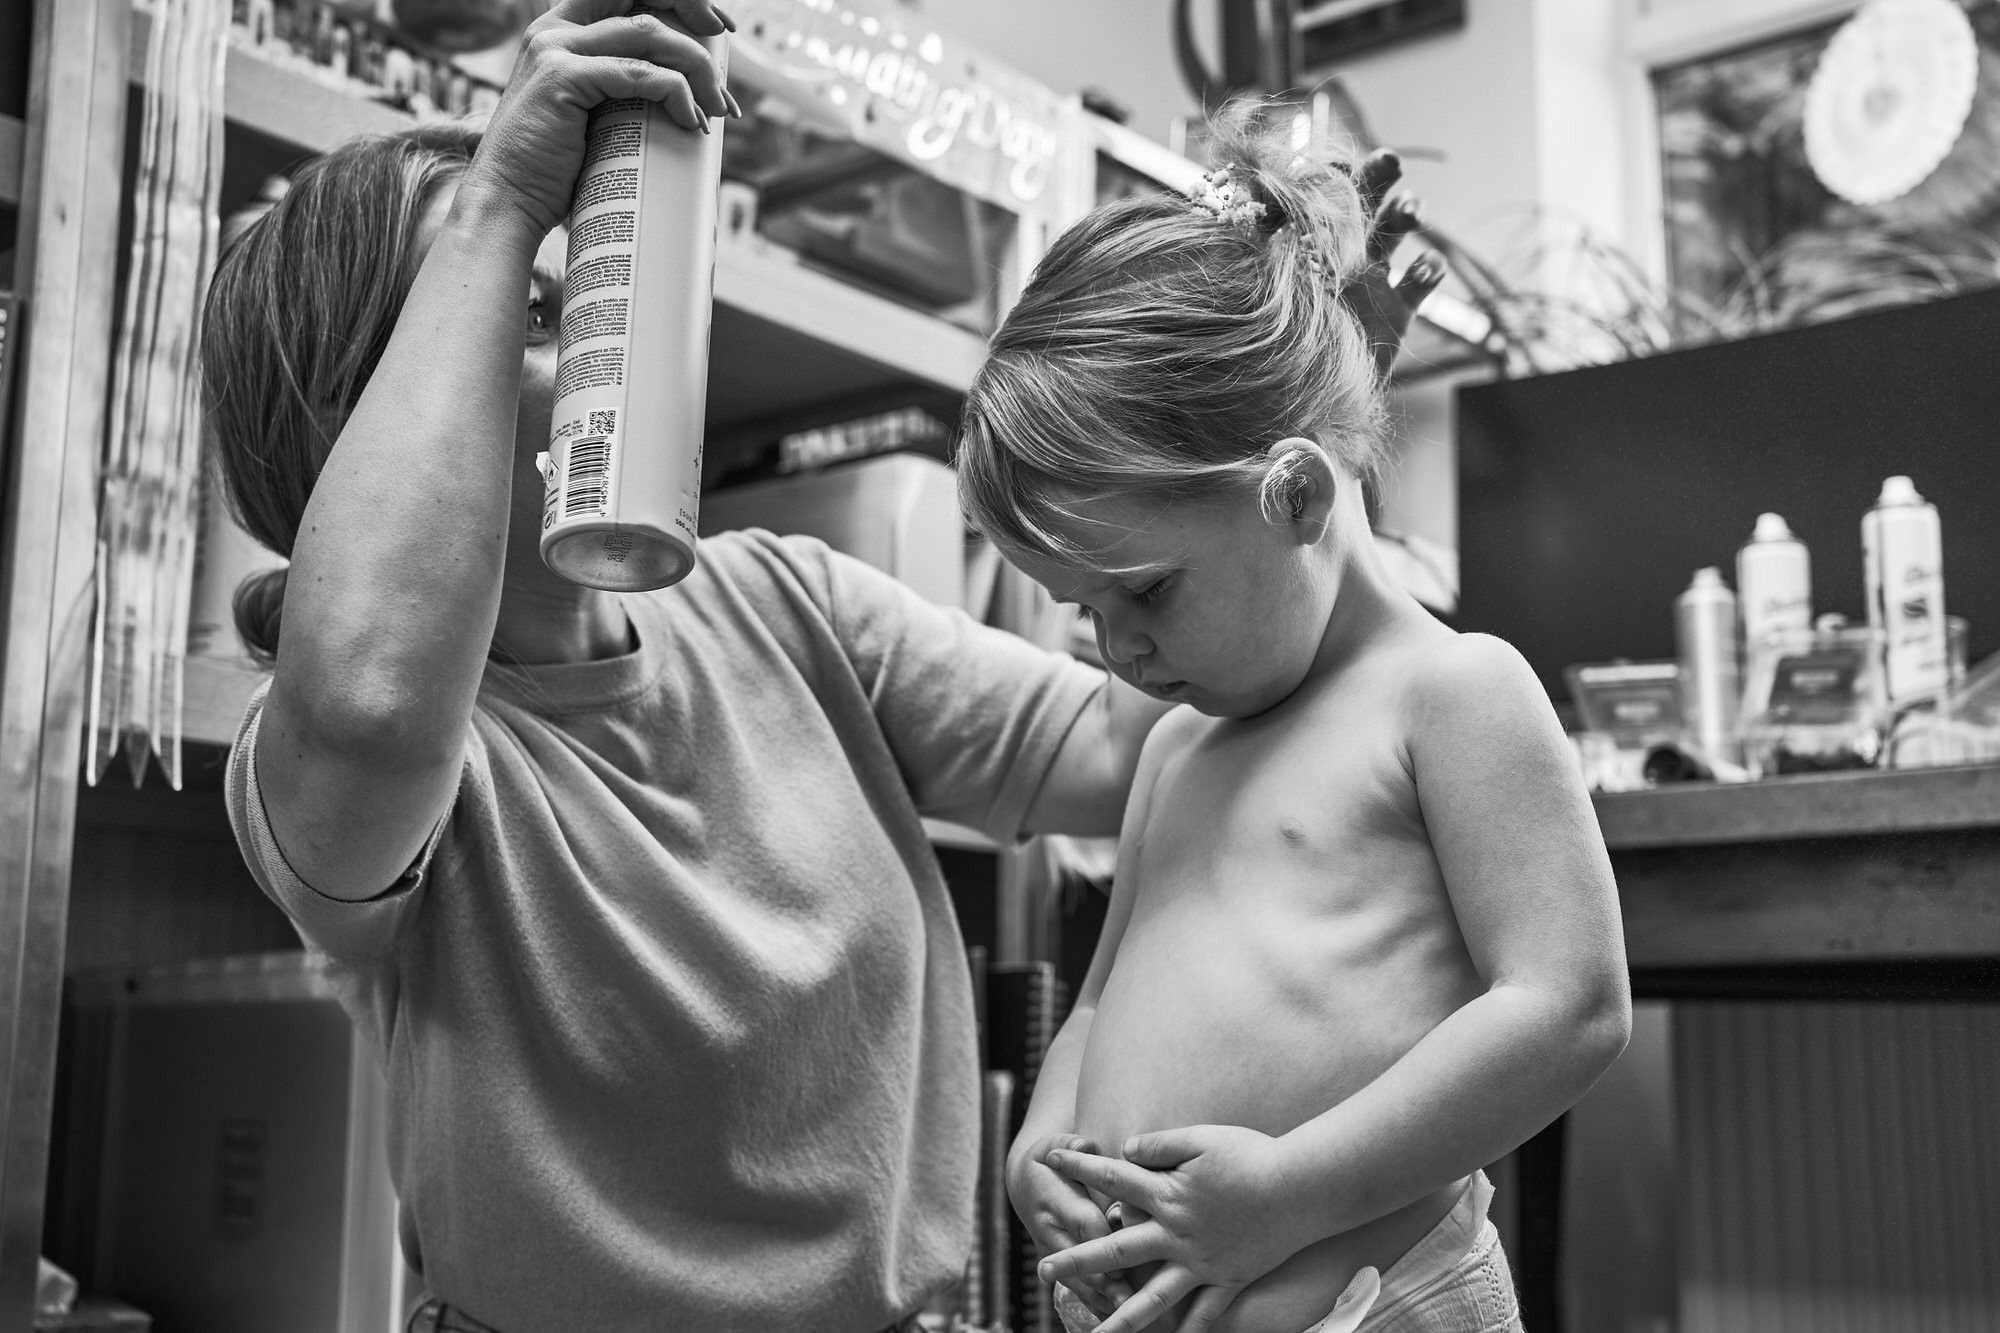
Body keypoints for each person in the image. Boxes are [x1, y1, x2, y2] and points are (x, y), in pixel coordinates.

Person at [955, 106, 1633, 1333]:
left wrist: (1287, 1193)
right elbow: (1103, 999)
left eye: (1146, 592)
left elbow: (1567, 1003)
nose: (1117, 649)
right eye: (1082, 610)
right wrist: (1042, 1146)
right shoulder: (1172, 747)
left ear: (1299, 492)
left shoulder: (1451, 693)